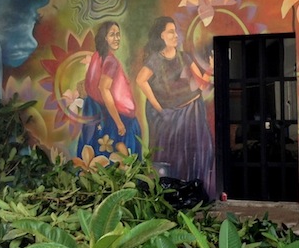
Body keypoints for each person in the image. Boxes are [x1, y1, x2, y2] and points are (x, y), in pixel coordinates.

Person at [136, 16, 214, 198]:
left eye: (175, 31)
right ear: (161, 36)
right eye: (170, 32)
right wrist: (159, 108)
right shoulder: (155, 59)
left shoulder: (184, 57)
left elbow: (201, 85)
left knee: (196, 153)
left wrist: (210, 70)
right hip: (172, 117)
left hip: (192, 112)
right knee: (173, 156)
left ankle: (191, 192)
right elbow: (141, 80)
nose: (175, 35)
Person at [78, 21, 141, 158]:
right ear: (104, 38)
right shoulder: (110, 61)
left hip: (102, 114)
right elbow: (103, 89)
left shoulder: (97, 56)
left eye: (118, 34)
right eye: (112, 35)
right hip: (116, 117)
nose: (117, 38)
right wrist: (119, 123)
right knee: (122, 159)